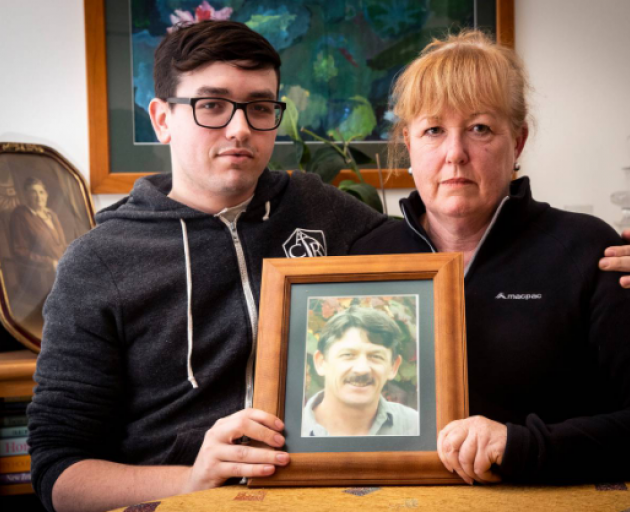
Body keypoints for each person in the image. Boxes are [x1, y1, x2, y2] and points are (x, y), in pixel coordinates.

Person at [27, 21, 386, 512]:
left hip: (329, 492)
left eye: (260, 107)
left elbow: (432, 272)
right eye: (211, 105)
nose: (240, 128)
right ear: (162, 119)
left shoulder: (322, 209)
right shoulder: (97, 262)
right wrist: (192, 479)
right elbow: (58, 475)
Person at [351, 30, 630, 485]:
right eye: (433, 130)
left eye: (480, 128)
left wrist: (521, 446)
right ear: (409, 144)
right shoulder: (366, 259)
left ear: (517, 143)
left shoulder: (588, 250)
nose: (455, 154)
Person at [302, 306, 418, 437]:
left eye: (376, 356)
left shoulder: (416, 426)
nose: (362, 369)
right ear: (321, 362)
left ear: (393, 367)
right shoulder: (285, 432)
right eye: (348, 355)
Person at [10, 177, 67, 305]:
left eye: (41, 192)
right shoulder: (20, 215)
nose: (38, 197)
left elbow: (61, 245)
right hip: (40, 273)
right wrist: (49, 262)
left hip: (62, 265)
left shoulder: (51, 214)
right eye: (33, 192)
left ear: (46, 195)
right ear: (26, 195)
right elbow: (19, 251)